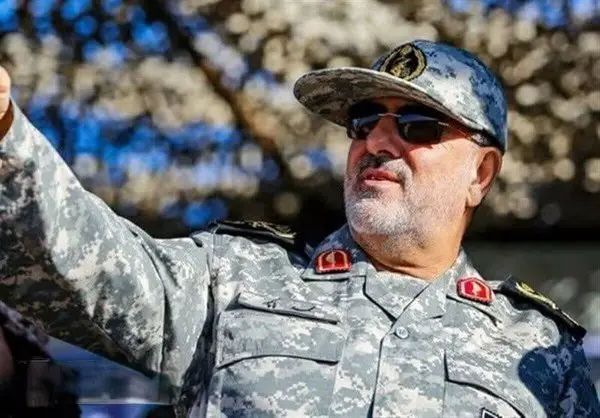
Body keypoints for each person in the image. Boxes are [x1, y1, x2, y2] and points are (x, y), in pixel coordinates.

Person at [0, 39, 598, 417]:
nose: (377, 141)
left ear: (481, 174)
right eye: (364, 122)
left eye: (417, 126)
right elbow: (80, 264)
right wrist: (5, 132)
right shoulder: (232, 281)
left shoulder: (540, 356)